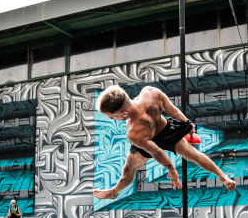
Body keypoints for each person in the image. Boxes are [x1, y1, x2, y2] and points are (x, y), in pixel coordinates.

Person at [93, 84, 236, 200]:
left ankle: (115, 191)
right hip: (166, 130)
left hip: (147, 137)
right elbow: (173, 111)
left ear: (123, 114)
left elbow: (157, 152)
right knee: (194, 155)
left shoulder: (133, 132)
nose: (113, 120)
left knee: (128, 170)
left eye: (112, 117)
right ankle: (224, 178)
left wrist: (171, 170)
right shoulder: (150, 92)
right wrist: (188, 124)